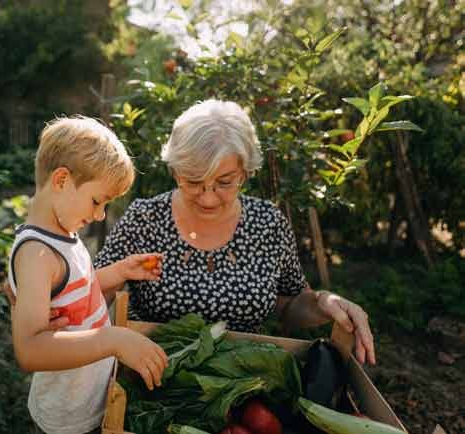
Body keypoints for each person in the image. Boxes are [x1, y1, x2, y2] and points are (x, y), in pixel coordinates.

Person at [93, 99, 376, 365]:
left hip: (240, 379)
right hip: (153, 378)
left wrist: (323, 302)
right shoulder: (145, 219)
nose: (208, 198)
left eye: (224, 182)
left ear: (244, 173)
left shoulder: (267, 224)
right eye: (193, 182)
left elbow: (289, 303)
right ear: (176, 171)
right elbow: (90, 293)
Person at [8, 116, 168, 434]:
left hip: (89, 396)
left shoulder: (62, 233)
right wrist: (112, 339)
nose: (99, 214)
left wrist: (120, 271)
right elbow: (29, 349)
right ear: (62, 180)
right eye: (97, 201)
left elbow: (78, 289)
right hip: (68, 417)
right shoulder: (37, 255)